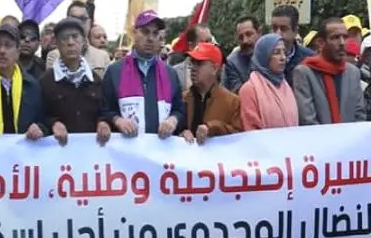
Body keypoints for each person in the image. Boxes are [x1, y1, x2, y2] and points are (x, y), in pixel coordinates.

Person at [100, 10, 185, 139]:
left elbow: (179, 110)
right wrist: (117, 120)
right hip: (126, 147)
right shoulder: (115, 71)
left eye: (155, 33)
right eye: (145, 32)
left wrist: (173, 120)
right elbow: (104, 111)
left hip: (161, 148)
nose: (150, 38)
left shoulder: (171, 74)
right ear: (135, 34)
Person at [40, 18, 108, 146]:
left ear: (84, 41)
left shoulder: (95, 80)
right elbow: (39, 118)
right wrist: (52, 123)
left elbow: (104, 111)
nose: (70, 42)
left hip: (92, 151)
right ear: (57, 43)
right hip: (58, 151)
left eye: (75, 37)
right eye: (64, 38)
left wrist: (103, 122)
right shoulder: (46, 81)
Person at [293, 17, 365, 125]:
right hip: (318, 135)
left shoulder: (353, 73)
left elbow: (359, 114)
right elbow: (307, 119)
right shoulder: (304, 72)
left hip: (351, 135)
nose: (342, 42)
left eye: (345, 37)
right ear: (321, 43)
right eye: (335, 37)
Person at [180, 43, 241, 145]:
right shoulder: (182, 98)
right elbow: (173, 130)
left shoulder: (233, 102)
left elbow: (240, 136)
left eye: (199, 63)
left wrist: (213, 127)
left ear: (215, 69)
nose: (193, 68)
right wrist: (181, 133)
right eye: (192, 62)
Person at [238, 34, 299, 131]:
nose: (283, 57)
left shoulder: (285, 86)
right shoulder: (249, 90)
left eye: (284, 52)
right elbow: (251, 130)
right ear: (264, 56)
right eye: (276, 52)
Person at [46, 1, 110, 77]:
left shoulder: (103, 56)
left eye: (83, 19)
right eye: (73, 18)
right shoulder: (54, 56)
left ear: (89, 22)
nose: (78, 22)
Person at [270, 5, 314, 85]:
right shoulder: (262, 59)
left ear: (295, 31)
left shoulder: (310, 59)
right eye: (274, 28)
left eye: (284, 29)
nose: (277, 33)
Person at [224, 16, 262, 93]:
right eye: (240, 37)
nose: (245, 41)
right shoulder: (232, 63)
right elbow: (239, 92)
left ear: (259, 33)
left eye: (249, 34)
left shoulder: (272, 54)